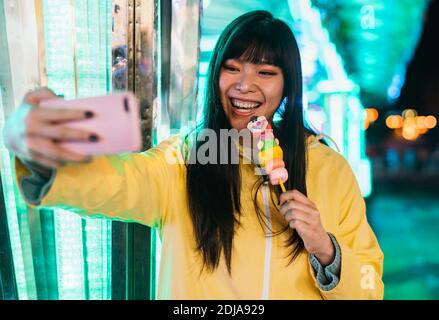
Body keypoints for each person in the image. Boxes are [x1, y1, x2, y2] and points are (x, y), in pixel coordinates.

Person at [3, 10, 384, 299]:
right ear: (215, 75)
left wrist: (325, 248)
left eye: (266, 72)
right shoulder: (190, 158)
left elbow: (370, 285)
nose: (244, 85)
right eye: (231, 68)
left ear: (288, 86)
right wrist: (44, 154)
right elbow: (121, 181)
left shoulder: (329, 169)